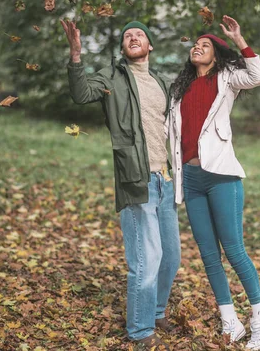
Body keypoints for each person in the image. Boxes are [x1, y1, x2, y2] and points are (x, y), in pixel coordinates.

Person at [61, 19, 180, 350]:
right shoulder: (111, 78)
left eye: (140, 34)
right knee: (146, 258)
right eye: (128, 35)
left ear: (150, 45)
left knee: (170, 257)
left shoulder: (161, 81)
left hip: (165, 179)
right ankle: (141, 330)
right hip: (136, 179)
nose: (133, 37)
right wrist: (75, 54)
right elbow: (80, 92)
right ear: (123, 47)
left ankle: (155, 312)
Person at [168, 15, 260, 350]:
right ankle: (230, 320)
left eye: (205, 45)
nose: (197, 48)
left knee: (232, 248)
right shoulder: (179, 88)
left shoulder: (228, 77)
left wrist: (240, 38)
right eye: (195, 45)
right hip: (191, 178)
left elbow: (258, 75)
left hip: (221, 175)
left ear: (216, 54)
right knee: (207, 253)